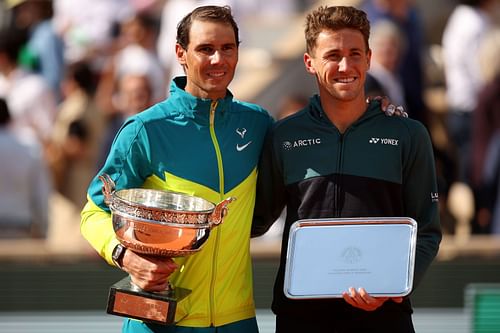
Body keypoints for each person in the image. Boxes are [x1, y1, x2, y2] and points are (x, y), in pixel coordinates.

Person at [81, 6, 274, 333]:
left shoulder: (258, 123)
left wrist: (381, 112)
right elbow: (93, 212)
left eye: (227, 48)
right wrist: (126, 256)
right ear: (180, 54)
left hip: (237, 322)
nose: (218, 59)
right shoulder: (145, 129)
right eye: (205, 49)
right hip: (159, 320)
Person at [252, 6, 442, 333]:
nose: (345, 66)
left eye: (355, 53)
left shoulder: (408, 134)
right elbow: (254, 222)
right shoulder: (283, 136)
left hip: (384, 317)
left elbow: (426, 230)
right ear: (309, 62)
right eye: (333, 55)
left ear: (369, 58)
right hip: (301, 319)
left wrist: (394, 289)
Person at [0, 97, 51, 239]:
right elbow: (41, 193)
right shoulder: (29, 148)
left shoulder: (29, 146)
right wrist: (43, 228)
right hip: (19, 228)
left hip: (20, 224)